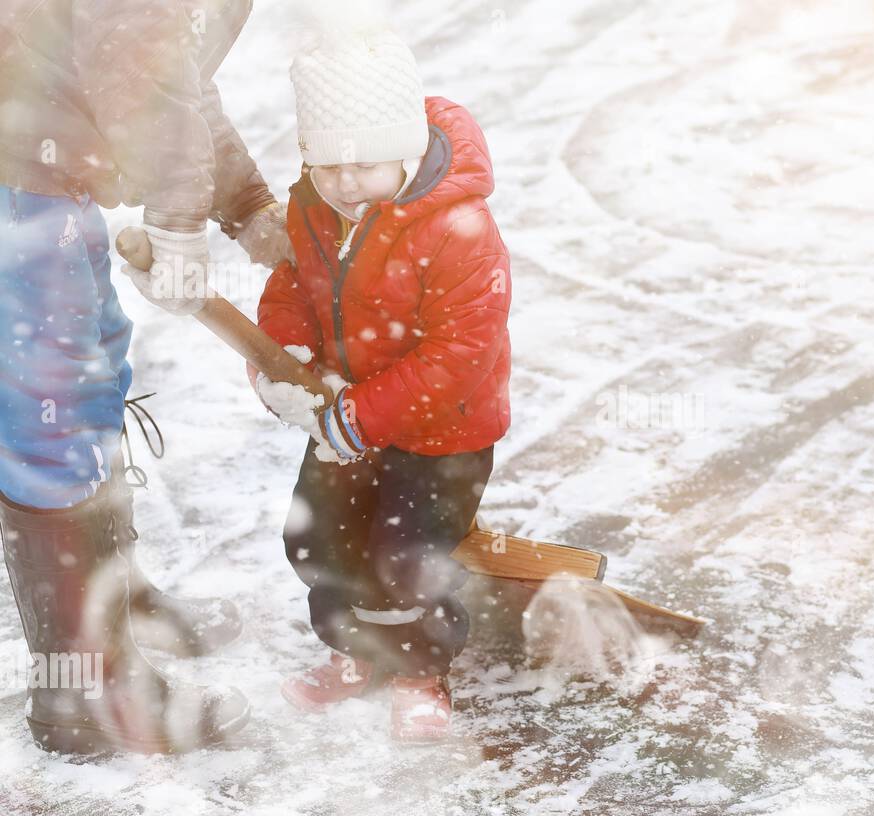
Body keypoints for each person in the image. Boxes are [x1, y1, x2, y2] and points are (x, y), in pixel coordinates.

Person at [0, 0, 290, 753]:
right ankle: (82, 685)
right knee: (51, 413)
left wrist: (244, 202)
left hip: (41, 159)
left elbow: (169, 67)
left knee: (91, 369)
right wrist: (178, 217)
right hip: (14, 166)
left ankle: (109, 603)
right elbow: (135, 52)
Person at [250, 30, 511, 742]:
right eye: (325, 162)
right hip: (342, 416)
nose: (341, 180)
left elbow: (461, 351)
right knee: (318, 543)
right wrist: (286, 347)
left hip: (439, 432)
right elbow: (292, 283)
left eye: (362, 164)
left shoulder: (458, 229)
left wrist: (363, 414)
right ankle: (355, 653)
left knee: (405, 557)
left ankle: (420, 669)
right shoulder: (315, 206)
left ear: (405, 148)